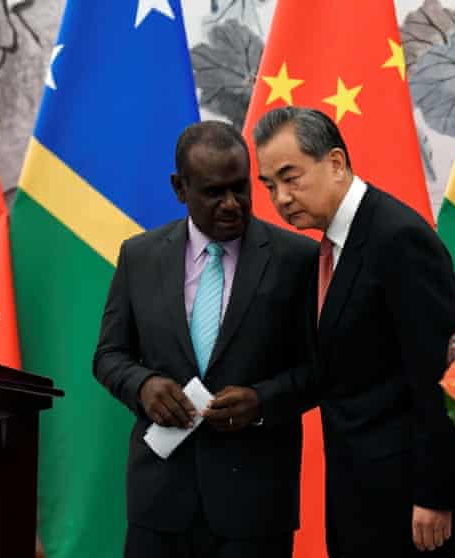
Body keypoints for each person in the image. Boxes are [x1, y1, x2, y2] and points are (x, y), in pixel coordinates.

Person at [253, 106, 455, 557]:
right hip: (361, 494)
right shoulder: (329, 247)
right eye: (270, 185)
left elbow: (440, 379)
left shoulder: (398, 238)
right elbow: (336, 370)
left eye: (291, 177)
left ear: (336, 163)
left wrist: (435, 495)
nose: (281, 197)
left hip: (413, 502)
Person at [93, 121, 317, 558]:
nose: (232, 205)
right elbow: (109, 355)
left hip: (254, 506)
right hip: (159, 503)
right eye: (214, 193)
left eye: (241, 189)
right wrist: (142, 386)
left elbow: (321, 368)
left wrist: (262, 401)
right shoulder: (139, 257)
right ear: (180, 188)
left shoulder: (298, 260)